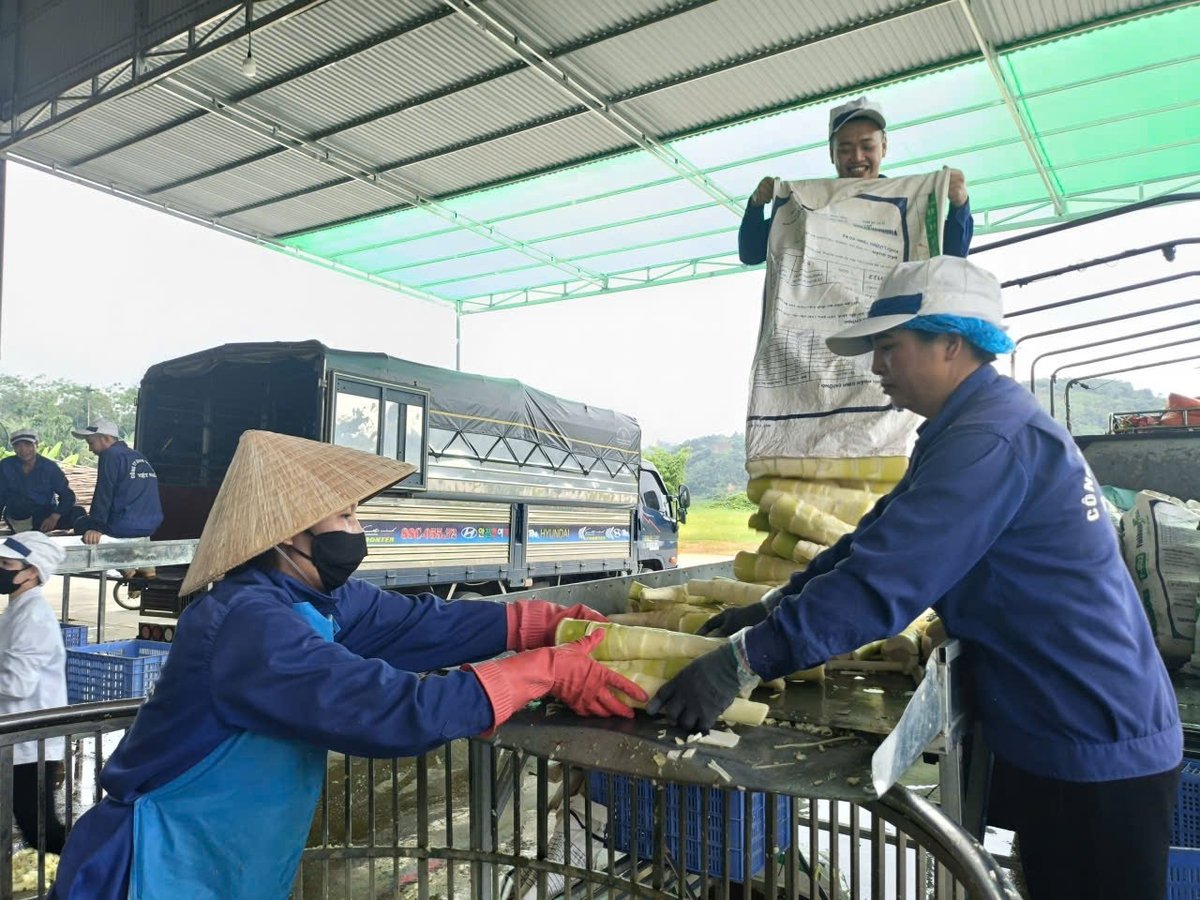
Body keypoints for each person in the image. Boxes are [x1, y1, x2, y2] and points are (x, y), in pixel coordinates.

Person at [648, 257, 1182, 900]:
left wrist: (744, 660)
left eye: (889, 346)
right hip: (1062, 720)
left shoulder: (990, 438)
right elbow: (871, 543)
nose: (876, 366)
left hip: (1092, 733)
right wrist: (769, 608)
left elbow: (886, 583)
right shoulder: (967, 429)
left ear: (951, 343)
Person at [50, 430, 645, 900]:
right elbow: (388, 710)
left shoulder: (318, 600)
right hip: (158, 867)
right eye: (347, 518)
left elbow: (420, 625)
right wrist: (543, 671)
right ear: (288, 534)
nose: (358, 532)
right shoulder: (248, 624)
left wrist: (536, 622)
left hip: (232, 862)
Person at [737, 96, 973, 264]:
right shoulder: (809, 207)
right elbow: (751, 254)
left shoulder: (910, 206)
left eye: (867, 146)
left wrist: (959, 205)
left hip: (887, 333)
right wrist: (756, 205)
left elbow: (952, 257)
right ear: (832, 153)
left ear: (884, 147)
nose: (857, 157)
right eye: (845, 148)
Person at [0, 532, 69, 855]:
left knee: (40, 830)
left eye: (6, 564)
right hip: (16, 735)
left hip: (31, 742)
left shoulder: (34, 617)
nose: (0, 569)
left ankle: (96, 871)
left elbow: (15, 684)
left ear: (32, 572)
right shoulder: (17, 609)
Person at [69, 418, 163, 545]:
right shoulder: (138, 456)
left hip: (124, 525)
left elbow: (104, 493)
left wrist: (97, 528)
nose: (90, 449)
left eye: (91, 443)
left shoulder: (110, 455)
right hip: (151, 525)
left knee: (80, 523)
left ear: (106, 439)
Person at [0, 430, 81, 533]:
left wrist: (54, 517)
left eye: (28, 444)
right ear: (14, 448)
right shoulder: (5, 466)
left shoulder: (49, 467)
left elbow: (67, 496)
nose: (23, 450)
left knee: (78, 512)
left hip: (46, 515)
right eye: (18, 446)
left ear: (36, 445)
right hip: (18, 517)